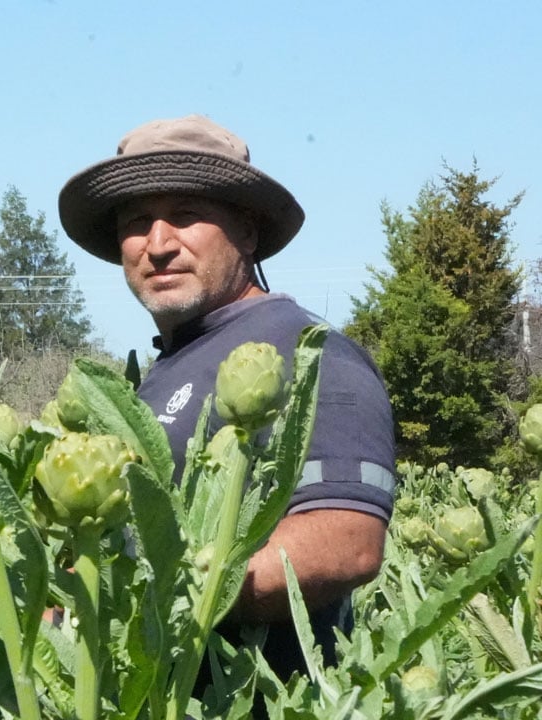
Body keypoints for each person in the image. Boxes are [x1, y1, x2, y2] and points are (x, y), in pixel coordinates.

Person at [56, 114, 396, 680]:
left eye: (186, 216)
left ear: (248, 232)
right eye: (137, 222)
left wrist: (170, 596)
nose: (158, 244)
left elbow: (347, 540)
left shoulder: (307, 354)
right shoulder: (159, 372)